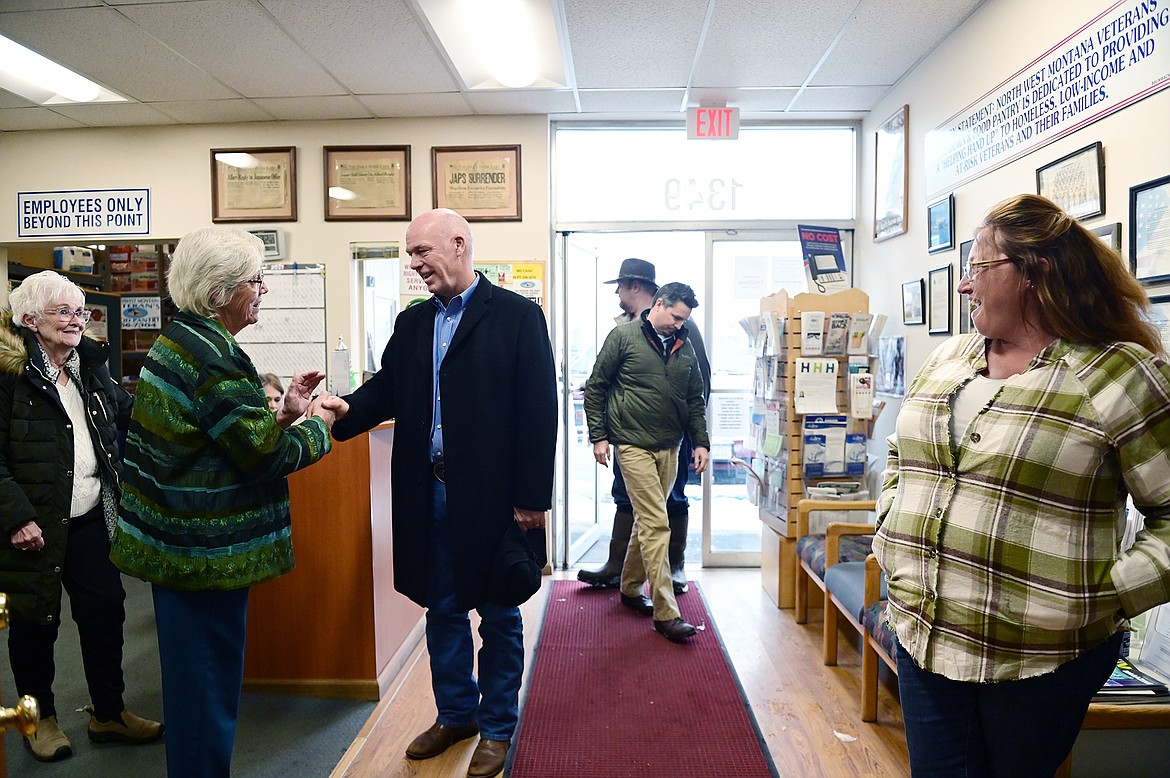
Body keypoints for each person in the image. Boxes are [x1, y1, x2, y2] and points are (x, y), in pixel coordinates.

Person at [873, 194, 1170, 776]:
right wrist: (891, 523)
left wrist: (1107, 591)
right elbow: (900, 453)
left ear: (1036, 273)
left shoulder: (1115, 373)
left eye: (978, 269)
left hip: (1039, 656)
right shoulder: (950, 357)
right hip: (921, 630)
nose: (964, 286)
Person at [329, 208, 557, 778]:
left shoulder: (516, 316)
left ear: (458, 245)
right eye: (410, 253)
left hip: (496, 499)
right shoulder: (412, 324)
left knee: (500, 612)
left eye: (421, 251)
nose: (415, 263)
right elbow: (386, 388)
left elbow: (539, 410)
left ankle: (498, 727)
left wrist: (533, 498)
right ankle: (457, 713)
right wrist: (345, 409)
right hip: (426, 493)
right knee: (443, 609)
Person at [109, 227, 342, 778]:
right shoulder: (217, 359)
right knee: (206, 696)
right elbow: (263, 458)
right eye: (254, 280)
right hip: (203, 556)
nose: (263, 289)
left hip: (180, 551)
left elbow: (218, 440)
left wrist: (282, 412)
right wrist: (322, 424)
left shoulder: (181, 340)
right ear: (220, 291)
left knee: (196, 690)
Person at [0, 271, 162, 762]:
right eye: (63, 312)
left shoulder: (90, 368)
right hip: (32, 525)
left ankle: (108, 712)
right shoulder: (8, 377)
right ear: (29, 320)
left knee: (105, 612)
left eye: (81, 312)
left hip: (90, 515)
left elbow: (130, 417)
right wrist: (15, 517)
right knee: (34, 623)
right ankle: (39, 718)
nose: (77, 321)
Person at [584, 282, 711, 643]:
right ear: (658, 305)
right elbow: (596, 387)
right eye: (675, 316)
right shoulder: (623, 338)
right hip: (632, 444)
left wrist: (700, 442)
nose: (678, 324)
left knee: (646, 520)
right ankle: (666, 613)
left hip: (670, 447)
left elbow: (694, 398)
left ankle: (627, 587)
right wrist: (599, 436)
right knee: (657, 522)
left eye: (684, 319)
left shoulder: (684, 346)